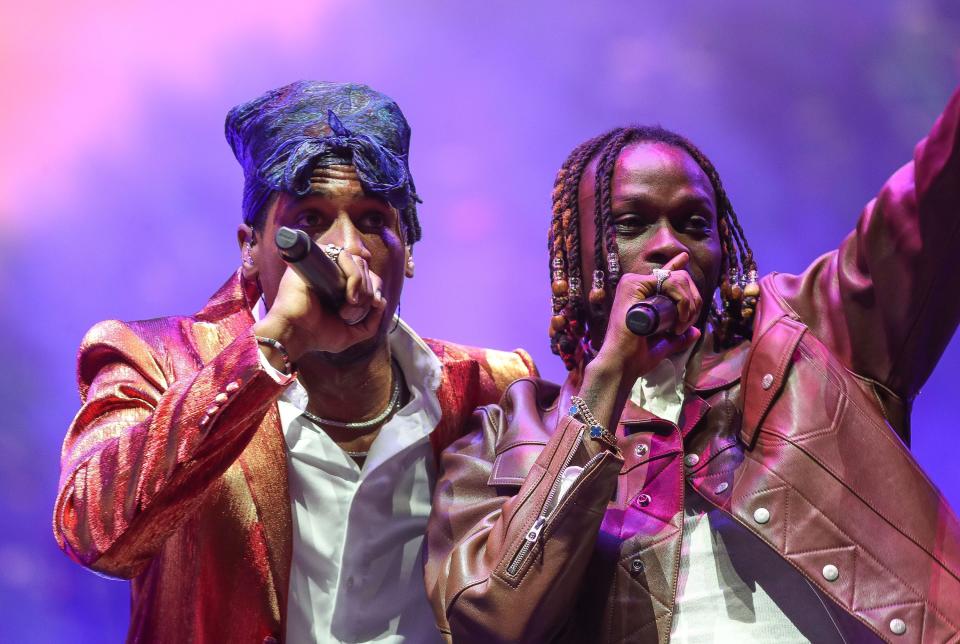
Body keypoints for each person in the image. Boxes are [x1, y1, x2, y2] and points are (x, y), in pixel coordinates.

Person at [425, 88, 960, 643]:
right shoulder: (504, 438)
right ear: (577, 259)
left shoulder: (809, 342)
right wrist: (608, 381)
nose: (668, 247)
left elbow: (933, 203)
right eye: (630, 224)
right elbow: (495, 620)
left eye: (694, 225)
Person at [53, 80, 536, 643]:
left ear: (410, 250)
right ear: (250, 249)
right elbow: (92, 533)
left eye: (374, 220)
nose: (346, 249)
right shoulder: (156, 362)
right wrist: (271, 348)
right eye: (309, 221)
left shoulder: (493, 389)